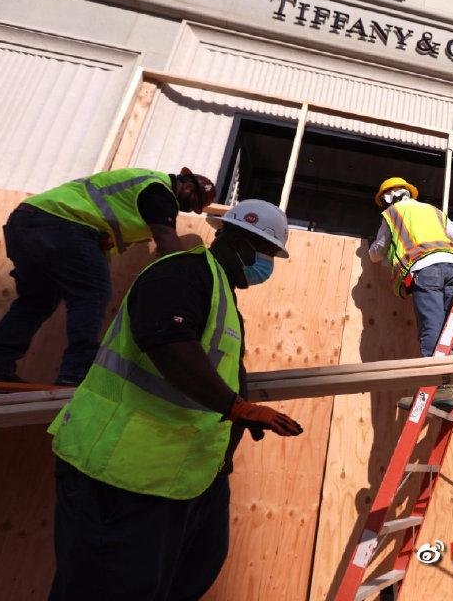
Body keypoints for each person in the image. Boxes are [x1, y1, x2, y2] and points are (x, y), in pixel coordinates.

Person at [46, 199, 304, 600]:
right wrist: (236, 407)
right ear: (237, 240)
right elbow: (168, 344)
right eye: (267, 252)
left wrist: (234, 426)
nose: (267, 264)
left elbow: (210, 370)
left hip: (181, 477)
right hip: (120, 473)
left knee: (185, 577)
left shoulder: (218, 291)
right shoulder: (183, 273)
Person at [0, 167, 217, 386]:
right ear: (186, 184)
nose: (189, 207)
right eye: (193, 198)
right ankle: (76, 373)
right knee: (93, 295)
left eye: (195, 206)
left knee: (35, 301)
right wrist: (185, 280)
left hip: (26, 222)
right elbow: (166, 237)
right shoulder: (159, 191)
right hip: (63, 223)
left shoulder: (142, 190)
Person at [368, 177, 453, 410]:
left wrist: (374, 249)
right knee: (449, 327)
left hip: (426, 270)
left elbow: (376, 253)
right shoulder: (433, 211)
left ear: (386, 198)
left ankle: (437, 388)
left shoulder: (392, 214)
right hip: (452, 267)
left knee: (431, 327)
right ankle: (448, 384)